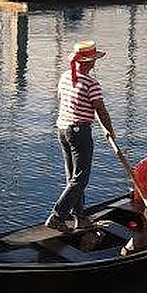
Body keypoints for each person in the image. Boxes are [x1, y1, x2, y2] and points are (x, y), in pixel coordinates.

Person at [45, 40, 115, 233]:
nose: (95, 63)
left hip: (62, 129)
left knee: (73, 177)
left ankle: (79, 217)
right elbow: (101, 110)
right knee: (81, 178)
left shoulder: (65, 77)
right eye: (93, 60)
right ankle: (57, 216)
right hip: (79, 132)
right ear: (90, 62)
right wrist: (110, 130)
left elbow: (65, 99)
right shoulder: (92, 83)